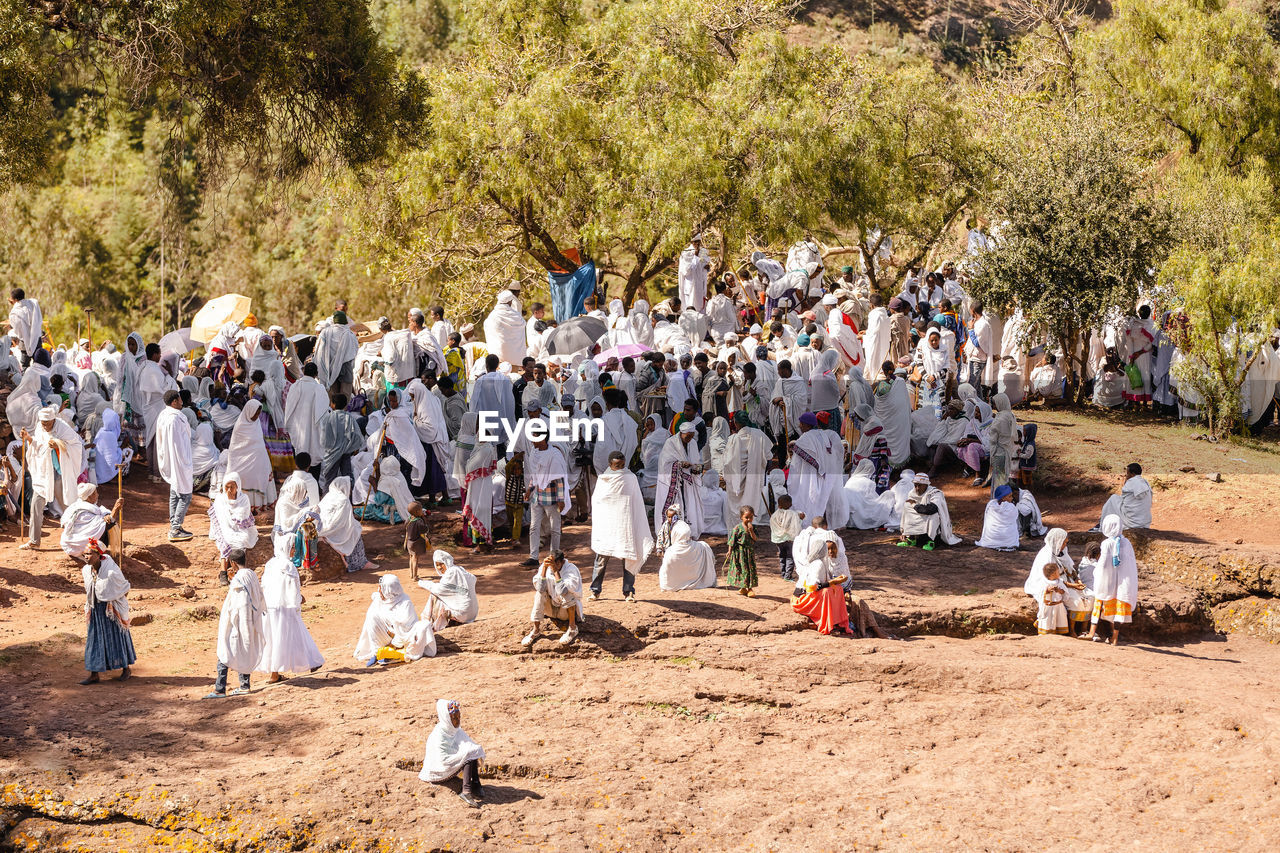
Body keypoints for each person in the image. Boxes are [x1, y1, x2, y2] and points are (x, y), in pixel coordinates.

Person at [258, 536, 325, 682]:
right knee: (293, 635)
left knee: (274, 639)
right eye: (293, 547)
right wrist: (298, 601)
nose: (295, 550)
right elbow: (293, 587)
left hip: (270, 607)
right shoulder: (288, 566)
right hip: (285, 607)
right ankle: (311, 661)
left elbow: (264, 585)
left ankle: (275, 674)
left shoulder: (271, 564)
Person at [589, 451, 653, 602]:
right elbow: (598, 502)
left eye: (623, 465)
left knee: (629, 555)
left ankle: (628, 591)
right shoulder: (603, 480)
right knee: (601, 558)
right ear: (610, 465)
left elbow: (635, 500)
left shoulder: (630, 478)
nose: (621, 468)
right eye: (617, 466)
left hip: (625, 523)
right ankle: (595, 590)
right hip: (608, 524)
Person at [20, 406, 86, 551]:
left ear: (53, 420)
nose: (44, 425)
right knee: (36, 506)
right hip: (44, 473)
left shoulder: (63, 429)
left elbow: (76, 446)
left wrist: (58, 444)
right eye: (43, 422)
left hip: (59, 473)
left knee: (67, 507)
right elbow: (38, 446)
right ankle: (34, 540)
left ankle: (79, 537)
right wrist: (28, 438)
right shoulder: (39, 427)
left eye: (47, 423)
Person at [205, 549, 266, 698]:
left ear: (232, 563)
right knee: (244, 650)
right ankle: (244, 685)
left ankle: (220, 689)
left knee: (224, 651)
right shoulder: (251, 574)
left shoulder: (239, 579)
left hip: (238, 622)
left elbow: (240, 603)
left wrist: (233, 622)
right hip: (250, 621)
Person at [80, 543, 135, 684]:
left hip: (111, 610)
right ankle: (94, 674)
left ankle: (125, 669)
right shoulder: (86, 570)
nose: (86, 557)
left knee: (117, 637)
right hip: (96, 610)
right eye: (85, 554)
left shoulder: (111, 571)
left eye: (89, 554)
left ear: (99, 555)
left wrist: (113, 600)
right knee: (95, 640)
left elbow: (124, 587)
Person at [354, 574, 436, 666]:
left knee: (424, 626)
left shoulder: (405, 604)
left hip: (404, 639)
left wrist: (394, 643)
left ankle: (396, 654)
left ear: (389, 591)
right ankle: (376, 652)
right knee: (372, 615)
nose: (379, 591)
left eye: (382, 588)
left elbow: (405, 630)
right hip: (387, 635)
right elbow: (375, 595)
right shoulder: (381, 600)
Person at [419, 700, 487, 808]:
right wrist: (464, 754)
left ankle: (475, 783)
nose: (458, 721)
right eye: (454, 718)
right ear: (447, 718)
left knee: (472, 750)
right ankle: (466, 792)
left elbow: (467, 742)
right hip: (440, 767)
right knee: (468, 754)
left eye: (459, 717)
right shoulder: (439, 734)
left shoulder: (455, 729)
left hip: (450, 761)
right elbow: (441, 759)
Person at [1087, 515, 1139, 646]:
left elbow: (1103, 565)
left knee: (1099, 604)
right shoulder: (1127, 543)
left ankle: (1091, 633)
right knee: (1118, 610)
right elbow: (1131, 564)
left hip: (1108, 582)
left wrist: (1096, 574)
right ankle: (1114, 638)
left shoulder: (1107, 544)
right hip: (1123, 583)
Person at [790, 531, 850, 636]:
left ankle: (837, 621)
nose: (829, 551)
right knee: (826, 592)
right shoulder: (817, 564)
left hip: (807, 596)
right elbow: (812, 588)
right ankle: (828, 624)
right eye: (827, 549)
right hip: (801, 600)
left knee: (838, 589)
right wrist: (833, 582)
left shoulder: (821, 562)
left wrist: (836, 582)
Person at [153, 390, 195, 542]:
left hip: (174, 461)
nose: (181, 401)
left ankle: (174, 525)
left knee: (175, 492)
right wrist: (184, 464)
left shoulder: (166, 415)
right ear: (174, 402)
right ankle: (175, 528)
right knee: (185, 495)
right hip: (179, 461)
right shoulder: (173, 419)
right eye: (179, 399)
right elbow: (176, 444)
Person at [787, 412, 843, 524]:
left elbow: (796, 463)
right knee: (818, 500)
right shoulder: (823, 436)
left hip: (806, 475)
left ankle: (805, 523)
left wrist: (793, 477)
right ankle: (816, 523)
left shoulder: (805, 438)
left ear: (807, 425)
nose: (799, 426)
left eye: (801, 424)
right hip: (822, 475)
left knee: (805, 498)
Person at [522, 437, 568, 567]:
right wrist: (529, 490)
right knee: (534, 527)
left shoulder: (554, 456)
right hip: (537, 496)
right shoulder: (535, 454)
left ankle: (554, 557)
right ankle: (533, 557)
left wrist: (560, 499)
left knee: (555, 529)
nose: (532, 442)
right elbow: (535, 475)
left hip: (551, 497)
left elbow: (559, 478)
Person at [522, 550, 583, 647]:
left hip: (565, 612)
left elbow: (563, 590)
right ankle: (536, 630)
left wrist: (555, 571)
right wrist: (545, 568)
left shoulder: (571, 569)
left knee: (567, 594)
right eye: (551, 564)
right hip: (551, 610)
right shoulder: (546, 567)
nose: (552, 566)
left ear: (562, 562)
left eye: (556, 564)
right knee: (539, 594)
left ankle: (572, 628)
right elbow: (540, 588)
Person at [655, 422, 705, 538]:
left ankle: (689, 530)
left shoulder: (692, 443)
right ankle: (672, 532)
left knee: (688, 504)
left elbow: (696, 459)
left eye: (692, 436)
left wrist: (696, 468)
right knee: (676, 505)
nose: (690, 439)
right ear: (681, 433)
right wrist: (680, 464)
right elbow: (664, 463)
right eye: (688, 436)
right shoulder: (670, 443)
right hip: (674, 483)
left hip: (688, 481)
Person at [320, 476, 379, 575]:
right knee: (356, 531)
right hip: (334, 531)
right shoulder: (343, 500)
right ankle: (360, 563)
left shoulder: (328, 496)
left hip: (323, 530)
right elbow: (346, 522)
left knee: (355, 528)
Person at [208, 473, 260, 585]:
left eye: (232, 487)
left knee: (242, 540)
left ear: (238, 487)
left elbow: (243, 516)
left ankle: (239, 572)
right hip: (225, 528)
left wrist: (232, 516)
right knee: (227, 541)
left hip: (240, 528)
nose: (229, 490)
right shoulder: (220, 499)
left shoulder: (244, 499)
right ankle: (223, 572)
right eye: (227, 486)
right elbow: (221, 520)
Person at [226, 399, 277, 509]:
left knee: (260, 475)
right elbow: (235, 449)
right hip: (242, 462)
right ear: (249, 411)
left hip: (258, 459)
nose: (257, 416)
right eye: (255, 413)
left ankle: (258, 504)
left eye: (259, 413)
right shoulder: (240, 426)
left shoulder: (257, 423)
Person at [722, 412, 772, 521]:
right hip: (753, 477)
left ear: (735, 423)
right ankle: (749, 524)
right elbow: (769, 455)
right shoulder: (758, 434)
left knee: (736, 507)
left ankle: (738, 529)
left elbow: (727, 462)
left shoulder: (732, 440)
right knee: (751, 499)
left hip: (736, 480)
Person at [657, 508, 718, 591]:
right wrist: (659, 549)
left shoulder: (681, 525)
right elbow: (661, 537)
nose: (670, 519)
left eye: (672, 517)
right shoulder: (665, 525)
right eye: (668, 517)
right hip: (668, 546)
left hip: (673, 546)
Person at [897, 474, 961, 550]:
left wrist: (914, 505)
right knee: (907, 505)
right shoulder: (912, 493)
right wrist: (904, 532)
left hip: (931, 520)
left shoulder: (935, 493)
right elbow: (910, 509)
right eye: (915, 485)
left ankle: (931, 541)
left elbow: (931, 509)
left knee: (934, 514)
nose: (917, 488)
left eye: (920, 485)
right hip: (920, 517)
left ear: (926, 485)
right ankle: (912, 538)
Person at [419, 550, 480, 630]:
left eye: (441, 564)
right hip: (472, 614)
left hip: (463, 613)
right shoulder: (459, 569)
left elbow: (440, 590)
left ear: (447, 562)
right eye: (437, 565)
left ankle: (428, 625)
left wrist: (424, 583)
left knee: (434, 595)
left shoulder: (451, 571)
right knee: (443, 594)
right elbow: (472, 580)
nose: (439, 567)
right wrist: (456, 589)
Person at [284, 363, 329, 468]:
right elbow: (324, 414)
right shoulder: (320, 389)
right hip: (315, 430)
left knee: (300, 455)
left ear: (304, 372)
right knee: (314, 453)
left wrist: (287, 426)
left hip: (298, 430)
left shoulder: (295, 386)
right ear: (316, 374)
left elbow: (289, 408)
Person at [59, 483, 122, 559]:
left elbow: (102, 512)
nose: (98, 495)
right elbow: (107, 523)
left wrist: (107, 515)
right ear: (88, 497)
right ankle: (93, 552)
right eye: (95, 493)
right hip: (76, 546)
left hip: (70, 544)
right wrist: (115, 509)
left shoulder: (78, 505)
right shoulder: (84, 512)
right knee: (109, 526)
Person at [1096, 463, 1152, 531]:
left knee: (1113, 498)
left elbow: (1123, 498)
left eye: (1127, 473)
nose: (1126, 475)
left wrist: (1127, 480)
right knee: (1117, 501)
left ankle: (1103, 524)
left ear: (1132, 474)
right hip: (1144, 522)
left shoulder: (1131, 482)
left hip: (1132, 522)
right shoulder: (1145, 483)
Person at [724, 506, 759, 597]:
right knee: (741, 570)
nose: (749, 519)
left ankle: (750, 589)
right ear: (741, 517)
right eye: (746, 517)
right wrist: (729, 551)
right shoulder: (737, 528)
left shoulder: (753, 528)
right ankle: (743, 588)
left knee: (749, 570)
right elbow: (732, 541)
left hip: (749, 553)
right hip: (739, 553)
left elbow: (755, 539)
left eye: (751, 517)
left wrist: (751, 531)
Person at [974, 484, 1020, 550]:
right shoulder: (1011, 508)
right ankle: (1004, 542)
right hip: (1008, 541)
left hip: (991, 539)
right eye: (1010, 496)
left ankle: (995, 542)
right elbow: (1015, 518)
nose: (1012, 498)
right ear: (1003, 498)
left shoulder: (991, 504)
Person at [769, 493, 802, 581]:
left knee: (782, 556)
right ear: (790, 504)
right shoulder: (793, 514)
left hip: (779, 540)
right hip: (790, 540)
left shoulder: (775, 515)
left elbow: (774, 526)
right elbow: (796, 526)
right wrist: (801, 519)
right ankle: (788, 576)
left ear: (779, 504)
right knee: (790, 557)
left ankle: (783, 574)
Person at [678, 234, 711, 313]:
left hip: (700, 285)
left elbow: (704, 266)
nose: (697, 244)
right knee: (689, 307)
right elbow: (686, 270)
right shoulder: (686, 253)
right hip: (689, 285)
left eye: (699, 242)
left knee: (700, 309)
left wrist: (706, 267)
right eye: (695, 242)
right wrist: (695, 256)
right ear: (691, 242)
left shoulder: (703, 252)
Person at [1036, 564, 1070, 636]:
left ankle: (1058, 634)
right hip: (1048, 607)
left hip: (1058, 606)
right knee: (1048, 620)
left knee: (1058, 620)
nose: (1059, 573)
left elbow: (1064, 591)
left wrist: (1059, 591)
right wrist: (1047, 590)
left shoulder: (1060, 581)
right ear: (1052, 574)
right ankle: (1045, 633)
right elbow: (1041, 593)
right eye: (1057, 572)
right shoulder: (1044, 582)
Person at [404, 501, 432, 580]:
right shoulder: (419, 521)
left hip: (409, 542)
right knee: (416, 558)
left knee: (411, 557)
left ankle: (411, 574)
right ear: (417, 512)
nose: (422, 511)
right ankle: (415, 576)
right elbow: (424, 529)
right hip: (416, 542)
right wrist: (424, 519)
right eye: (420, 510)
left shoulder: (408, 519)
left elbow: (405, 526)